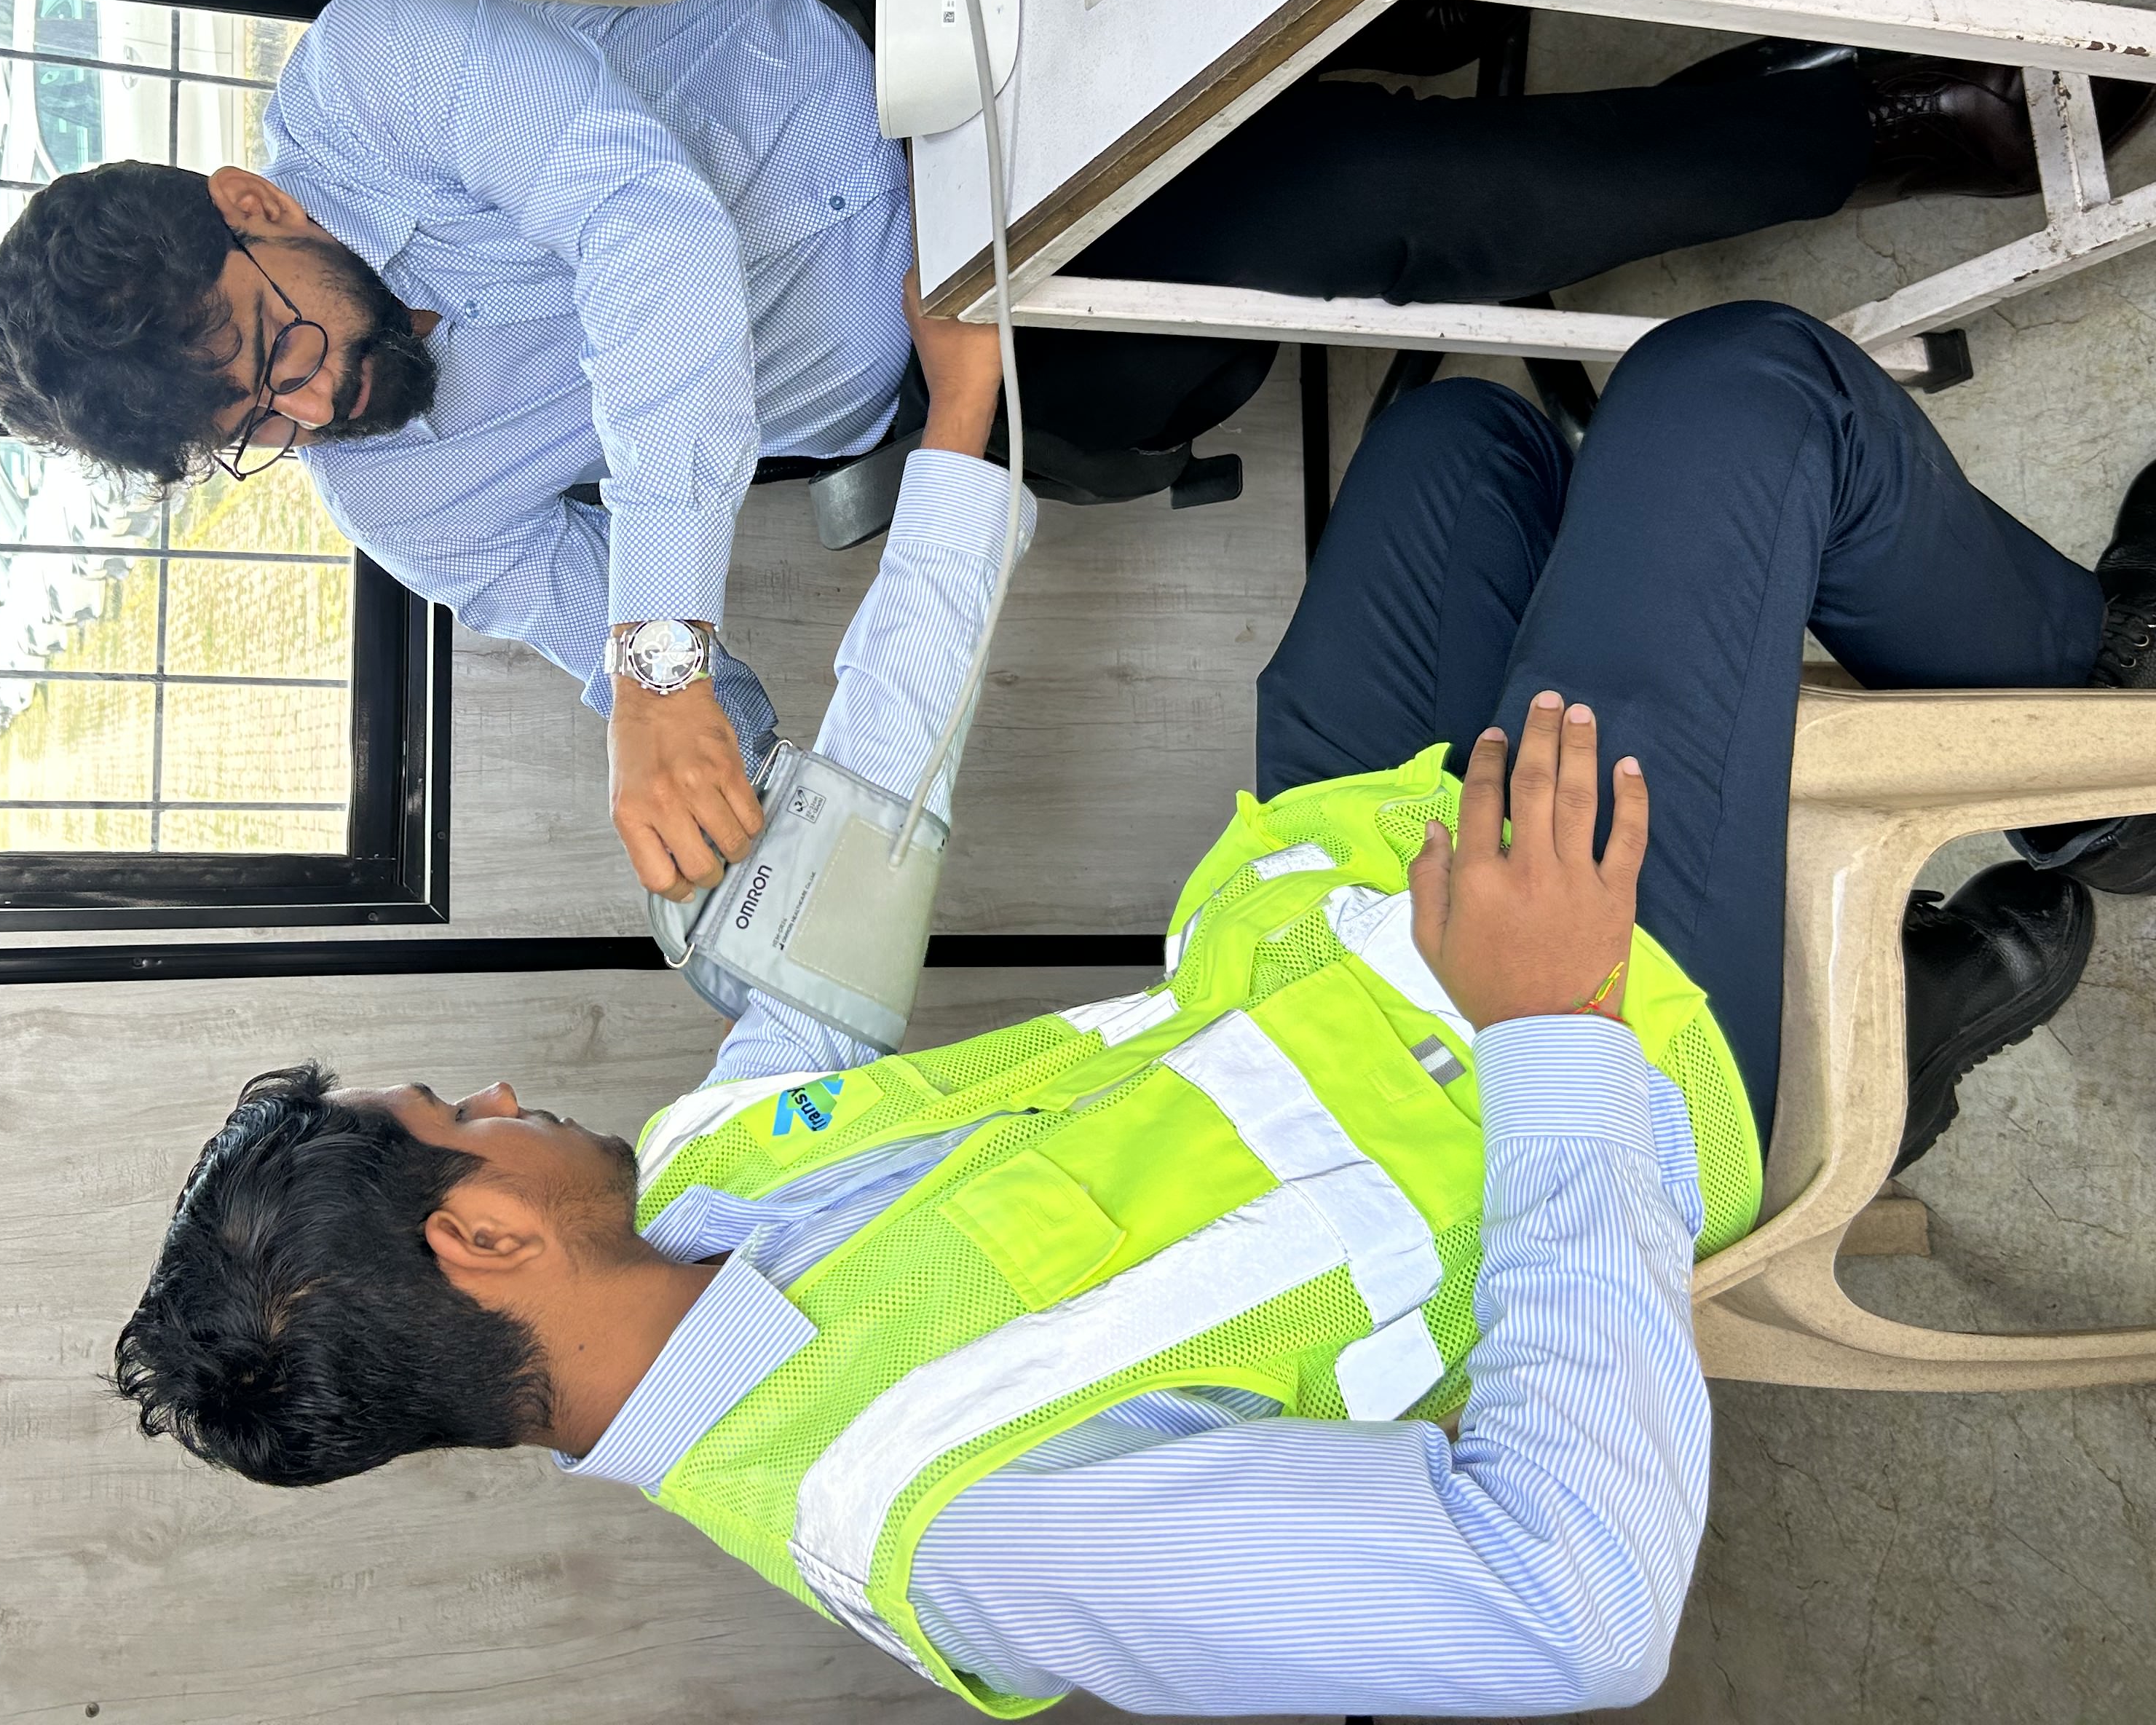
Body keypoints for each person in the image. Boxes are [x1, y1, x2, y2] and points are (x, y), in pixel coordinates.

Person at [109, 299, 2143, 1717]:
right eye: (456, 1112)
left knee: (1455, 446)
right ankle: (2115, 727)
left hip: (1331, 909)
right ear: (483, 1235)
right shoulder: (944, 1526)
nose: (498, 1087)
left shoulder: (712, 1173)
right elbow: (1572, 1602)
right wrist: (1553, 1038)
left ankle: (1942, 935)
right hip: (1569, 1032)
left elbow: (877, 806)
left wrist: (961, 438)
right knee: (1739, 388)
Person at [0, 0, 2140, 901]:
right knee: (1376, 231)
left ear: (255, 210)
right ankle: (1793, 131)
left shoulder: (366, 79)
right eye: (254, 433)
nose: (312, 407)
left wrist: (651, 654)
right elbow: (630, 647)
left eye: (271, 357)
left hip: (927, 95)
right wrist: (719, 768)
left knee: (1371, 137)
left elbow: (632, 215)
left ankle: (1858, 115)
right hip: (967, 371)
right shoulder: (395, 497)